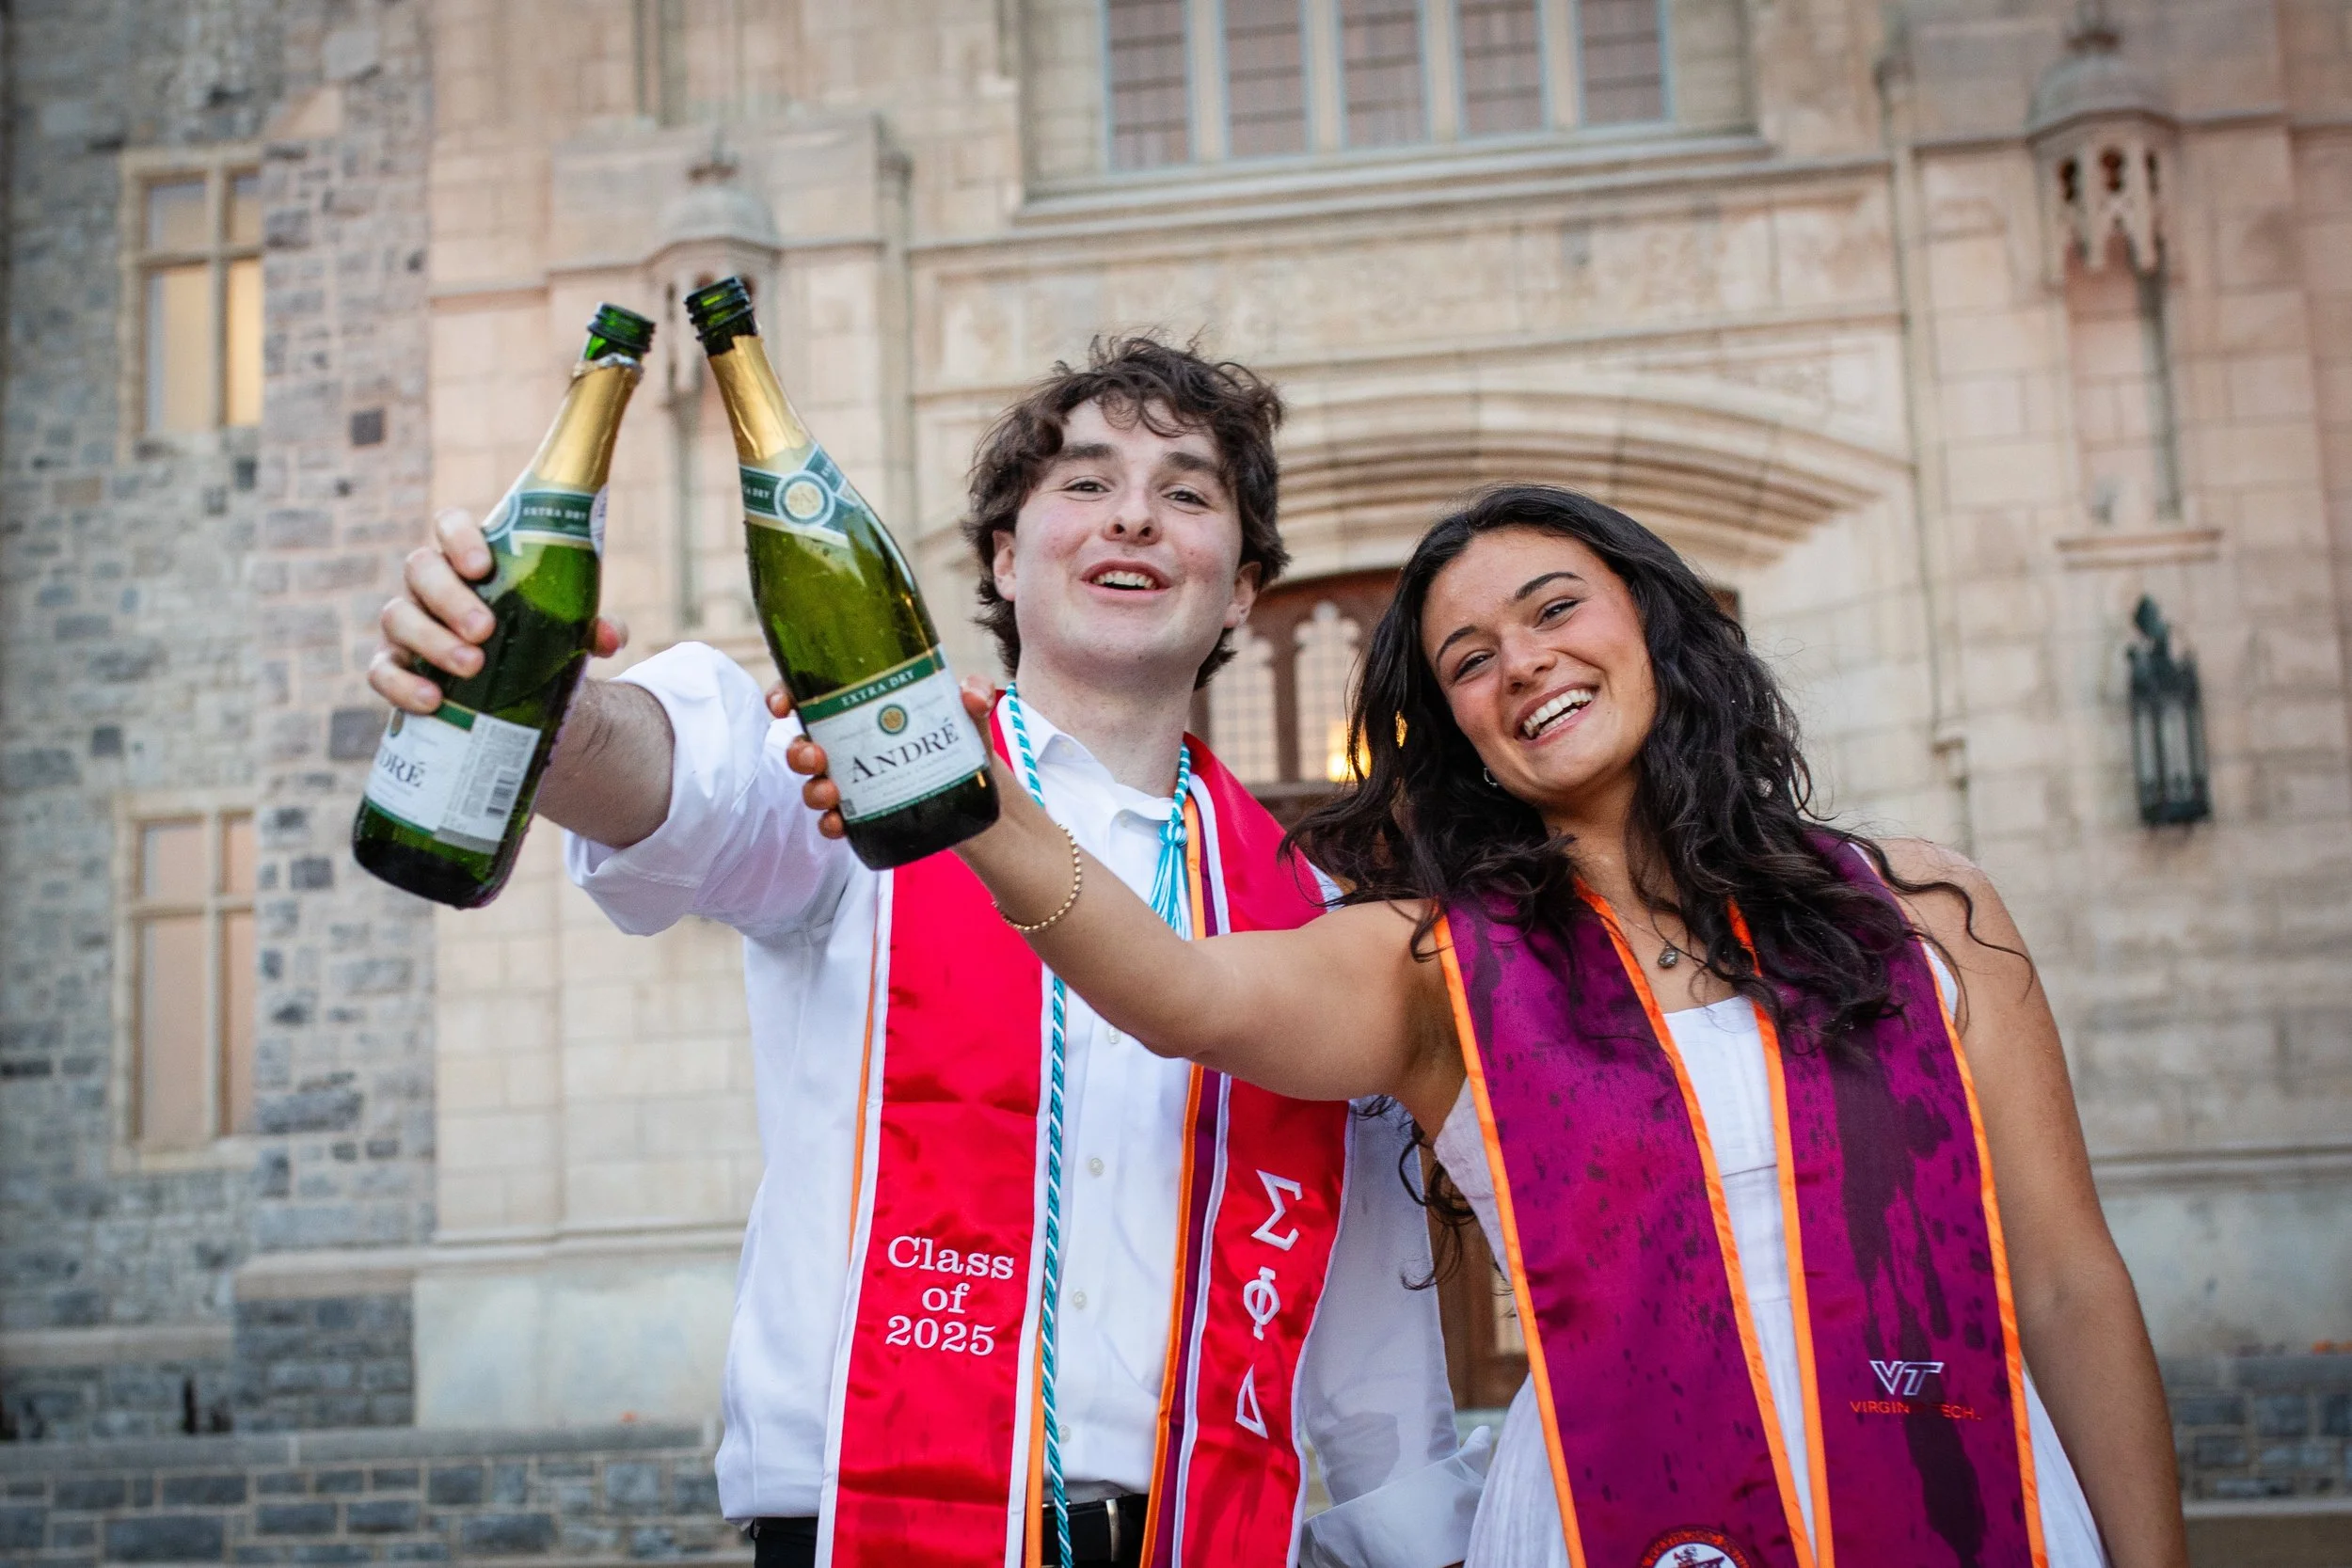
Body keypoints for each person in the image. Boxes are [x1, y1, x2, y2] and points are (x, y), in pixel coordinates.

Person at [793, 485, 2189, 1568]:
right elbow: (1180, 990)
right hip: (1606, 1517)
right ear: (1455, 726)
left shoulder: (1929, 910)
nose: (1523, 663)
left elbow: (2067, 1284)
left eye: (1556, 607)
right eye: (1470, 657)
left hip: (1976, 1506)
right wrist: (985, 812)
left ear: (1654, 618)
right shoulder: (1439, 970)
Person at [369, 337, 1482, 1568]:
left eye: (1186, 492)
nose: (1133, 518)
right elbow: (672, 775)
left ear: (1240, 590)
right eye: (1086, 482)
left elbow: (1376, 1360)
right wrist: (532, 691)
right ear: (1006, 558)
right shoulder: (865, 787)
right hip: (866, 1526)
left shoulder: (1316, 922)